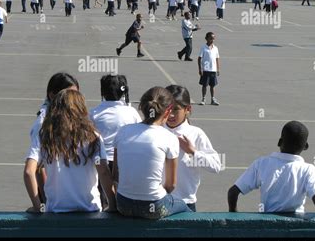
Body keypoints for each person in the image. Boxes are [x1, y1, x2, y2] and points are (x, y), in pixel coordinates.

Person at [23, 90, 116, 213]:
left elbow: (29, 172)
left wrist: (37, 206)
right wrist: (113, 204)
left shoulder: (44, 136)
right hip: (89, 210)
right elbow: (103, 172)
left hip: (56, 211)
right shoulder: (93, 137)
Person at [113, 86, 190, 219]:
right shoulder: (169, 138)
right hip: (154, 205)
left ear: (142, 107)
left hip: (123, 204)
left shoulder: (123, 131)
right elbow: (171, 185)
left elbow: (115, 174)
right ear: (167, 111)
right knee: (186, 209)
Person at [228, 121, 315, 213]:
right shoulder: (308, 170)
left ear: (280, 142)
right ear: (305, 146)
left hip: (267, 227)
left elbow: (232, 193)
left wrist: (234, 213)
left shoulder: (262, 163)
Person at [24, 72, 80, 205]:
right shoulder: (43, 124)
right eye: (69, 94)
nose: (74, 99)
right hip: (56, 198)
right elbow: (36, 167)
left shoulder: (65, 114)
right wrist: (42, 203)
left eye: (76, 94)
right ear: (52, 95)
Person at [165, 85, 221, 211]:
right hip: (159, 200)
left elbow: (216, 166)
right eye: (167, 109)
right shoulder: (157, 130)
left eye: (176, 110)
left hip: (186, 203)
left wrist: (193, 151)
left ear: (187, 109)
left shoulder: (196, 134)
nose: (171, 115)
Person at [89, 74, 141, 174]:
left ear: (103, 92)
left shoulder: (93, 113)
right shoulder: (132, 112)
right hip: (124, 160)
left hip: (100, 161)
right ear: (123, 93)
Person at [198, 32, 220, 106]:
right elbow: (199, 58)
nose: (212, 40)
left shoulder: (215, 48)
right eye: (211, 38)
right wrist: (200, 69)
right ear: (206, 39)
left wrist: (218, 69)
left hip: (213, 70)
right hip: (205, 70)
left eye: (213, 39)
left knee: (212, 85)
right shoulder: (203, 47)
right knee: (204, 85)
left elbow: (217, 59)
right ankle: (203, 98)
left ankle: (212, 99)